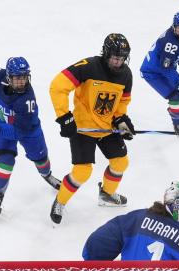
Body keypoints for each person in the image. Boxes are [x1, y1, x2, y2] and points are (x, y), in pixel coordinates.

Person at [48, 33, 135, 224]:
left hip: (107, 129)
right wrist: (64, 117)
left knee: (121, 162)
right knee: (82, 172)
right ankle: (60, 201)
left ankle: (106, 194)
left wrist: (121, 121)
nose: (118, 62)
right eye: (114, 57)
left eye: (122, 58)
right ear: (105, 53)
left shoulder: (126, 75)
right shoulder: (89, 66)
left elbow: (121, 104)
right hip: (82, 128)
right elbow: (57, 86)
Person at [0, 54, 61, 216]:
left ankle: (47, 175)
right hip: (1, 127)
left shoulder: (27, 101)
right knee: (5, 161)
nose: (21, 81)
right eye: (17, 78)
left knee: (41, 159)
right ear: (8, 77)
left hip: (29, 132)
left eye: (24, 77)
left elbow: (21, 129)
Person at [140, 12, 179, 140]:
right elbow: (166, 68)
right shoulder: (170, 43)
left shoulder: (176, 36)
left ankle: (176, 114)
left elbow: (175, 51)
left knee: (176, 96)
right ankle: (177, 125)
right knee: (176, 96)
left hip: (160, 67)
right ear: (174, 27)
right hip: (153, 73)